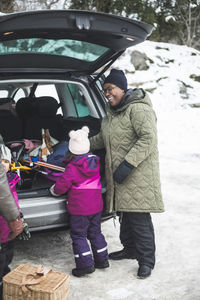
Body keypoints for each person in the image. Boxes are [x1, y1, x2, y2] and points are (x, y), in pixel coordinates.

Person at [89, 69, 164, 279]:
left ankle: (146, 260)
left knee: (139, 218)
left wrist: (128, 164)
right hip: (120, 175)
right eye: (104, 90)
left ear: (122, 87)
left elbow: (148, 139)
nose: (107, 94)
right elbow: (103, 139)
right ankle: (130, 249)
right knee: (124, 215)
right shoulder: (111, 114)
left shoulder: (138, 109)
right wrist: (80, 144)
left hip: (138, 174)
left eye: (110, 89)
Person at [50, 126, 109, 277]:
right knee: (95, 232)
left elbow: (61, 187)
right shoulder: (95, 163)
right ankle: (102, 260)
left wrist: (53, 190)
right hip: (96, 207)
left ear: (71, 149)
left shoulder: (72, 167)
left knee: (79, 235)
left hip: (80, 210)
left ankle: (85, 265)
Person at [0, 143, 23, 299]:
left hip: (6, 232)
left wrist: (18, 217)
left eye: (5, 162)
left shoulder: (12, 180)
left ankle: (4, 279)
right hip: (4, 229)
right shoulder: (5, 184)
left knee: (6, 257)